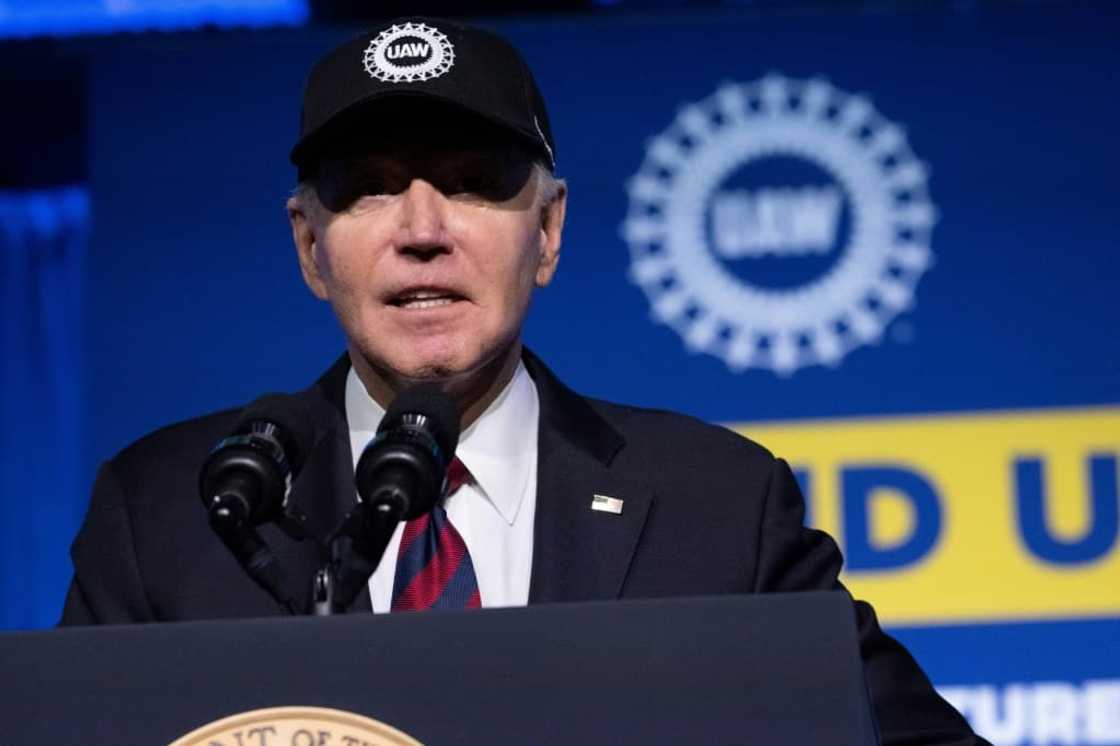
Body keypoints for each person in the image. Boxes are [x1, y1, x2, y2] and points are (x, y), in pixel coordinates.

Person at [61, 17, 987, 744]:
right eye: (372, 186)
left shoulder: (722, 507)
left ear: (546, 233)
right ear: (311, 246)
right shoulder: (170, 514)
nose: (422, 227)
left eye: (471, 183)